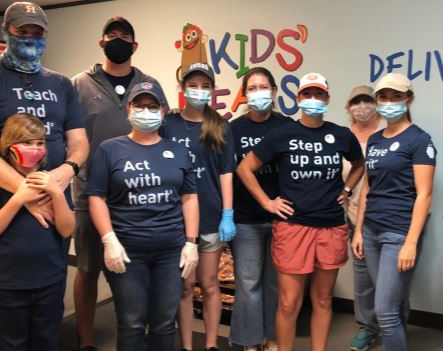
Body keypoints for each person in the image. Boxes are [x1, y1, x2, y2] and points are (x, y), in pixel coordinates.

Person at [237, 72, 365, 351]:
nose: (313, 99)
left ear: (327, 99)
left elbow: (359, 164)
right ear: (298, 98)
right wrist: (267, 202)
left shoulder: (341, 135)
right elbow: (245, 168)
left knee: (322, 300)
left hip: (331, 226)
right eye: (307, 94)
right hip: (293, 227)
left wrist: (346, 190)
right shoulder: (282, 134)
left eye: (319, 94)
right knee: (288, 302)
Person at [71, 16, 167, 351]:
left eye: (125, 36)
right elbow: (68, 135)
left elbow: (161, 134)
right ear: (101, 43)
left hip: (139, 197)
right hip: (89, 194)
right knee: (87, 269)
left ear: (135, 46)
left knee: (139, 270)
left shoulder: (150, 83)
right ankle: (85, 339)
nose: (118, 40)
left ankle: (139, 332)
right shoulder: (80, 84)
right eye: (111, 35)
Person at [86, 82, 199, 351]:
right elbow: (96, 197)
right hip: (126, 251)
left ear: (162, 111)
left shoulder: (178, 151)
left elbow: (190, 198)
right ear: (129, 109)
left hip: (170, 252)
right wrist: (108, 239)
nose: (146, 111)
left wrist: (191, 242)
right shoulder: (109, 149)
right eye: (140, 105)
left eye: (152, 106)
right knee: (131, 322)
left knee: (163, 322)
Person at [351, 73, 436, 351]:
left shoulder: (419, 140)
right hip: (371, 231)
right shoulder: (375, 140)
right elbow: (367, 188)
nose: (388, 102)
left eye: (396, 97)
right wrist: (360, 231)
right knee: (392, 306)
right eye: (383, 97)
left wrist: (411, 242)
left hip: (397, 234)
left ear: (408, 99)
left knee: (385, 311)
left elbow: (424, 194)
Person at [0, 1, 87, 236]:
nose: (30, 39)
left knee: (53, 264)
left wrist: (64, 173)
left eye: (37, 33)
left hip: (56, 197)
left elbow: (79, 141)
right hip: (3, 199)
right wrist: (25, 192)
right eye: (22, 32)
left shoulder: (62, 84)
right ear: (6, 32)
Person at [159, 62, 236, 351]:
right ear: (182, 89)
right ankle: (188, 345)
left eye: (205, 86)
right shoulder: (169, 124)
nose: (199, 91)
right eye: (193, 85)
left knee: (210, 283)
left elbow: (226, 172)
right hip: (177, 220)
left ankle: (213, 344)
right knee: (185, 287)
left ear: (212, 91)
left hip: (212, 217)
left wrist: (228, 213)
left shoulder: (219, 126)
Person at [0, 113, 75, 351]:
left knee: (46, 342)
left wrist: (57, 193)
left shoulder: (50, 178)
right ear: (10, 144)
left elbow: (67, 228)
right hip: (7, 285)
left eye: (40, 143)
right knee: (10, 344)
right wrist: (18, 199)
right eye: (27, 142)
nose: (35, 148)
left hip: (49, 280)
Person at [229, 67, 292, 351]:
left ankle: (272, 338)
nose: (258, 93)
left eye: (263, 87)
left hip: (281, 217)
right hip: (245, 219)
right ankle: (249, 341)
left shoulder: (287, 126)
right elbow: (228, 173)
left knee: (275, 285)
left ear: (274, 92)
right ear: (244, 94)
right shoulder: (234, 129)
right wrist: (226, 214)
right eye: (252, 88)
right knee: (248, 285)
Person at [342, 85, 386, 351]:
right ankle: (367, 327)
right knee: (362, 277)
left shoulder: (389, 131)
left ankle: (394, 326)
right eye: (355, 101)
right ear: (348, 107)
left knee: (391, 277)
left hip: (387, 215)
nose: (362, 106)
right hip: (354, 215)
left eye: (367, 100)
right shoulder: (343, 137)